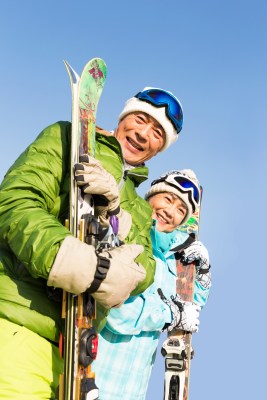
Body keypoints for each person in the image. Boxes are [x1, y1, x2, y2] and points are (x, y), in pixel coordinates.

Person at [0, 86, 184, 399]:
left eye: (157, 133)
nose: (144, 134)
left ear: (159, 149)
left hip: (76, 354)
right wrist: (75, 261)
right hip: (19, 323)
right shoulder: (66, 137)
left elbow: (145, 270)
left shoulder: (139, 210)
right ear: (123, 116)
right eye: (140, 119)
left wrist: (114, 213)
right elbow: (16, 202)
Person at [92, 169, 212, 400]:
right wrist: (167, 315)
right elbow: (113, 313)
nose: (171, 212)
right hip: (95, 373)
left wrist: (203, 273)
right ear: (151, 196)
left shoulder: (172, 258)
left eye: (181, 211)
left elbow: (190, 308)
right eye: (168, 199)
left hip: (133, 387)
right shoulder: (123, 234)